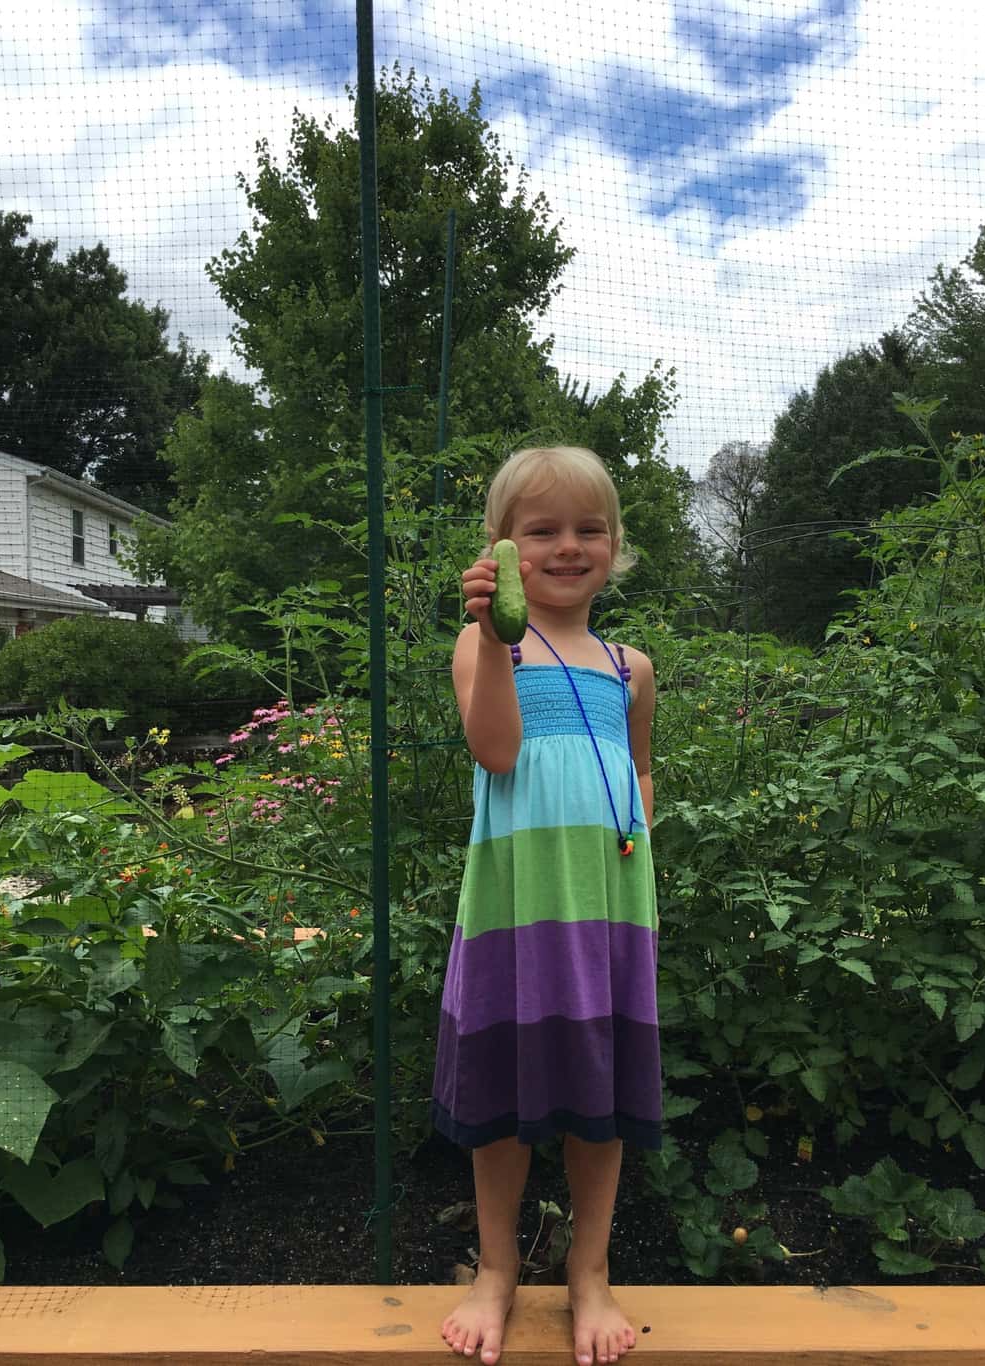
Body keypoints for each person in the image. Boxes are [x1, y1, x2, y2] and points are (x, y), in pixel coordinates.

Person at [432, 446, 662, 1366]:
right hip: (518, 904)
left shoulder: (631, 667)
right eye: (542, 531)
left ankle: (590, 1276)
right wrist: (491, 637)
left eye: (588, 529)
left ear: (615, 545)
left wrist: (640, 877)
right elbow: (495, 752)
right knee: (504, 1090)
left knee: (598, 1096)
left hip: (607, 910)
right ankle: (495, 1273)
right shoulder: (491, 646)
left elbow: (638, 772)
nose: (568, 547)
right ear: (502, 547)